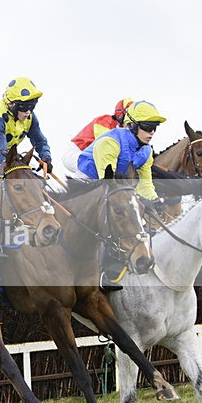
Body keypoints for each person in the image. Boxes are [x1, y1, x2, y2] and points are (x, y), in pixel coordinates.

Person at [76, 100, 166, 291]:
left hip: (118, 184)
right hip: (90, 180)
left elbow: (145, 184)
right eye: (148, 127)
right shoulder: (111, 142)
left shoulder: (147, 152)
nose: (151, 133)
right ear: (132, 125)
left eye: (154, 128)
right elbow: (106, 181)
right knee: (109, 218)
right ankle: (100, 273)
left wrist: (153, 200)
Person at [0, 77, 53, 177]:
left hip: (9, 158)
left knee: (36, 180)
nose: (28, 112)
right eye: (24, 107)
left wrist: (46, 157)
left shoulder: (30, 117)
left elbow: (40, 141)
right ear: (11, 104)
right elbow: (0, 152)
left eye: (32, 106)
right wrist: (15, 164)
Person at [62, 98, 134, 173]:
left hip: (87, 155)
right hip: (76, 153)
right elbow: (105, 147)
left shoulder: (122, 130)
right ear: (121, 114)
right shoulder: (104, 120)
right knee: (103, 164)